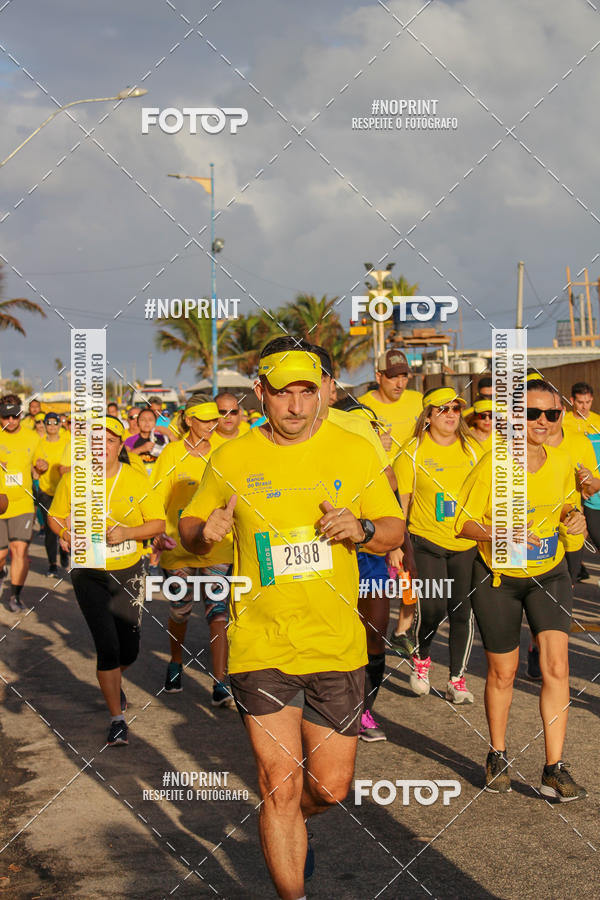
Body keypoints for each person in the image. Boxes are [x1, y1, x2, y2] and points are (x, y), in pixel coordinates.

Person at [179, 338, 404, 899]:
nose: (297, 407)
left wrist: (366, 530)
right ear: (262, 394)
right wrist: (203, 533)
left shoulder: (354, 451)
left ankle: (291, 825)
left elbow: (395, 526)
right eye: (284, 394)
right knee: (278, 787)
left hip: (335, 643)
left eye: (308, 392)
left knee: (327, 789)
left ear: (323, 392)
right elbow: (188, 525)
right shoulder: (231, 457)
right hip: (260, 641)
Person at [455, 380, 587, 800]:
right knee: (503, 672)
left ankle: (555, 767)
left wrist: (574, 519)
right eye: (532, 413)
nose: (542, 422)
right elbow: (461, 522)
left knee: (557, 667)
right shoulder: (494, 463)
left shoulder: (563, 459)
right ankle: (497, 754)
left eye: (550, 413)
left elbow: (566, 504)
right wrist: (497, 532)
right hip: (499, 579)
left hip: (550, 573)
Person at [49, 417, 165, 746]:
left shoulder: (135, 479)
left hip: (128, 569)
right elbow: (54, 517)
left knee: (129, 648)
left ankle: (113, 681)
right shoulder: (73, 481)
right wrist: (65, 532)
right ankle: (117, 719)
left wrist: (128, 533)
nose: (103, 447)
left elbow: (157, 523)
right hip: (87, 571)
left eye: (111, 440)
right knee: (108, 647)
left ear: (119, 446)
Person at [312, 344, 405, 742]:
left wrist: (377, 531)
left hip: (366, 550)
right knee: (324, 634)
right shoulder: (281, 431)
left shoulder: (359, 427)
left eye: (315, 383)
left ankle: (364, 710)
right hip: (317, 552)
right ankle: (320, 712)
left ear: (331, 386)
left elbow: (392, 486)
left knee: (374, 631)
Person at [393, 387, 481, 703]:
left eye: (456, 409)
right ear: (428, 416)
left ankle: (456, 678)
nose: (451, 415)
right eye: (443, 410)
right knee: (432, 609)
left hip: (464, 543)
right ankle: (422, 658)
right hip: (425, 540)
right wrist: (397, 545)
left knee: (461, 611)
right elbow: (402, 504)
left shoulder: (472, 450)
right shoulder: (412, 451)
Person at [151, 397, 235, 706]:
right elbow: (156, 496)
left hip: (218, 546)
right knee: (181, 610)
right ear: (189, 421)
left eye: (216, 420)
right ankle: (175, 662)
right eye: (206, 420)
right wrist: (156, 533)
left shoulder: (224, 453)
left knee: (218, 612)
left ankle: (220, 681)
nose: (213, 425)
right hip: (178, 544)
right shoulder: (172, 453)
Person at [0, 395, 39, 612]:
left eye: (14, 416)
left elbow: (39, 464)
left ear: (20, 415)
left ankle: (15, 596)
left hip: (23, 503)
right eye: (5, 417)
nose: (10, 421)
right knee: (1, 555)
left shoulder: (32, 438)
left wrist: (41, 466)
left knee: (20, 550)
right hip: (0, 503)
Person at [358, 350, 423, 462]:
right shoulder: (361, 408)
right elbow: (351, 452)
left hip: (416, 476)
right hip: (383, 477)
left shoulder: (419, 401)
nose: (400, 384)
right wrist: (375, 446)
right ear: (378, 377)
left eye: (404, 377)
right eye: (393, 377)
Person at [33, 412, 70, 575]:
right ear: (45, 425)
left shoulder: (67, 443)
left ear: (60, 425)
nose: (52, 426)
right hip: (45, 491)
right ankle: (52, 564)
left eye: (56, 423)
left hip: (63, 491)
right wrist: (40, 467)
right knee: (49, 529)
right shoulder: (40, 444)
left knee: (64, 526)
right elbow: (36, 468)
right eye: (49, 423)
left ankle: (64, 551)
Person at [124, 407, 167, 476]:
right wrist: (141, 449)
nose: (147, 423)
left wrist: (170, 434)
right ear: (138, 422)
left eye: (150, 420)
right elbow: (124, 459)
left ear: (155, 422)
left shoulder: (162, 438)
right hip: (138, 478)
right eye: (143, 420)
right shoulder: (130, 440)